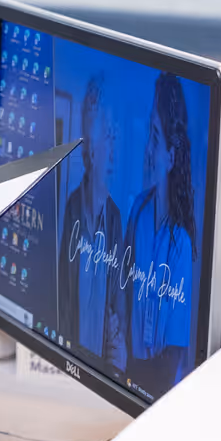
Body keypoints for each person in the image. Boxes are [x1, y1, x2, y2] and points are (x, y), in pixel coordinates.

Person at [124, 69, 199, 396]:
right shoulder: (138, 210)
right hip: (126, 368)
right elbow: (123, 293)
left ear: (170, 156)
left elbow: (174, 351)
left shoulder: (180, 240)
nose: (147, 148)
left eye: (154, 136)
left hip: (156, 386)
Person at [56, 75, 127, 374]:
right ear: (90, 145)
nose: (113, 145)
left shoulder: (115, 219)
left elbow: (116, 315)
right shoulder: (69, 208)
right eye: (106, 133)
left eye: (115, 134)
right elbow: (60, 304)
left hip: (98, 373)